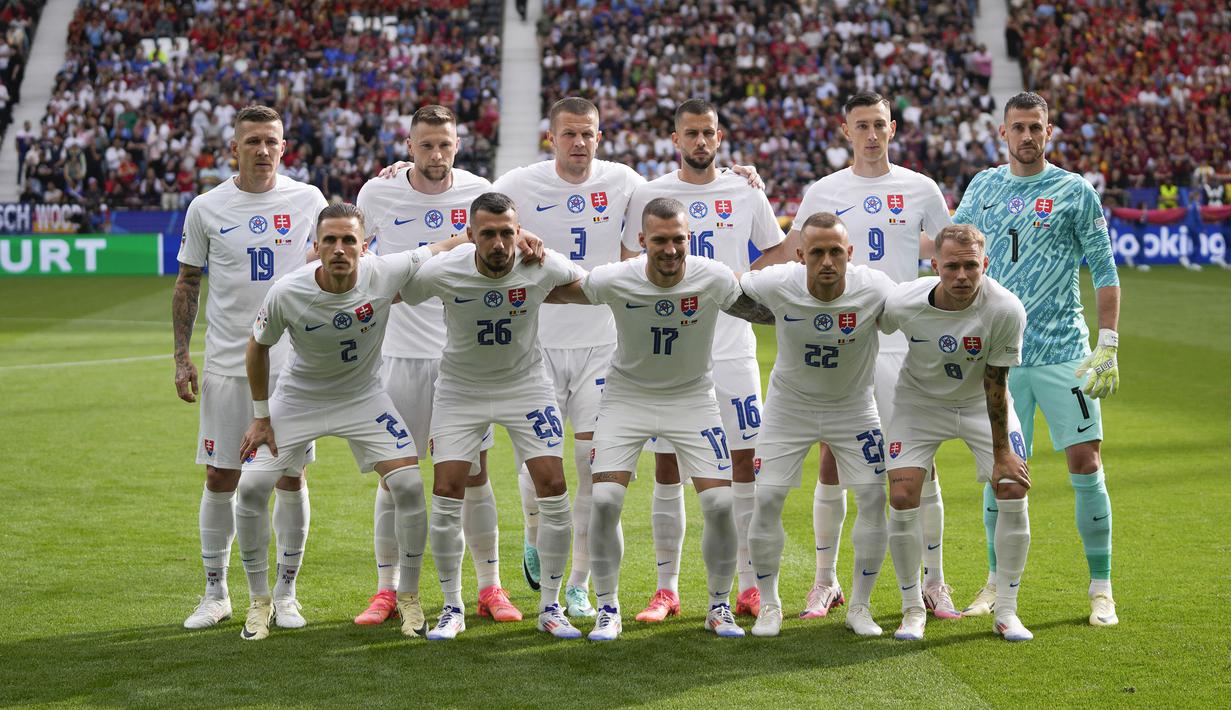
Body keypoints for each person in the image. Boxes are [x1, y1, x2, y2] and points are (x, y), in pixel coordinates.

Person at [234, 203, 479, 640]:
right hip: (300, 399)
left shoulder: (384, 271)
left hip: (364, 397)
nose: (339, 249)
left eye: (349, 240)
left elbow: (442, 245)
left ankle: (408, 596)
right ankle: (260, 600)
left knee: (408, 485)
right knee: (251, 488)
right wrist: (260, 417)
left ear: (364, 247)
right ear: (316, 247)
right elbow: (257, 347)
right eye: (329, 240)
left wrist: (509, 236)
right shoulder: (287, 291)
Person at [548, 197, 775, 641]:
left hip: (692, 399)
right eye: (660, 241)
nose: (670, 250)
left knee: (720, 503)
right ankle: (608, 608)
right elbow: (561, 288)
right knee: (605, 500)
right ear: (642, 240)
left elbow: (764, 310)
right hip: (626, 400)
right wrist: (528, 251)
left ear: (689, 239)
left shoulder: (712, 276)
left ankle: (718, 606)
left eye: (678, 240)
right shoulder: (618, 277)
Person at [785, 91, 957, 621]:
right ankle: (825, 581)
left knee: (920, 461)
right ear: (846, 131)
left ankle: (935, 581)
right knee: (832, 457)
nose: (872, 134)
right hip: (845, 341)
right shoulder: (824, 190)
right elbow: (792, 254)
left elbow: (948, 253)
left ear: (893, 128)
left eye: (879, 124)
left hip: (905, 343)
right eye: (861, 125)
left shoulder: (920, 187)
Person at [953, 91, 1122, 626]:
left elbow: (1105, 269)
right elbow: (954, 253)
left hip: (1063, 352)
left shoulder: (1074, 191)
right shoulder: (983, 186)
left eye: (1036, 127)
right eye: (1018, 127)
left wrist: (1108, 343)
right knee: (1001, 474)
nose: (1027, 136)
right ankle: (994, 583)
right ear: (1002, 132)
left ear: (1048, 132)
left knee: (1086, 463)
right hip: (1000, 358)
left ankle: (1101, 588)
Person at [621, 99, 786, 622]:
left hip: (734, 348)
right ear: (675, 139)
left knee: (744, 462)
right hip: (673, 351)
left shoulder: (745, 189)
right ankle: (666, 589)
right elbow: (629, 261)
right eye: (691, 133)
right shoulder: (648, 193)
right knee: (668, 465)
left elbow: (777, 251)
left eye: (708, 133)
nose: (700, 141)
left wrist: (744, 282)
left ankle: (748, 585)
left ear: (720, 136)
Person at [354, 105, 514, 626]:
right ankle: (388, 590)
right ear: (409, 147)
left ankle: (489, 586)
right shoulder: (377, 192)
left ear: (458, 145)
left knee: (474, 474)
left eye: (445, 144)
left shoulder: (479, 192)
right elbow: (362, 263)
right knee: (394, 476)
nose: (437, 154)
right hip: (398, 356)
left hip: (461, 360)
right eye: (426, 145)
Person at [400, 192, 586, 640]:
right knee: (447, 490)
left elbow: (586, 286)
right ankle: (452, 607)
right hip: (460, 390)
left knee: (554, 486)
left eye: (507, 232)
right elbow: (401, 291)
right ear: (470, 235)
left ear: (519, 232)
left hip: (526, 386)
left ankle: (551, 606)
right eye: (488, 234)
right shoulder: (445, 269)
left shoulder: (540, 264)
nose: (499, 243)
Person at [490, 97, 645, 618]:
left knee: (591, 463)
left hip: (601, 345)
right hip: (535, 346)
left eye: (588, 134)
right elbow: (469, 207)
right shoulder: (520, 183)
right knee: (540, 463)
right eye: (570, 134)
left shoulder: (624, 180)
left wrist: (741, 176)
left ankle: (577, 581)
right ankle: (534, 530)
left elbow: (680, 190)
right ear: (551, 138)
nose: (579, 143)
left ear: (600, 136)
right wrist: (402, 169)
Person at [174, 105, 327, 631]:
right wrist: (181, 357)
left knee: (290, 475)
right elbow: (187, 282)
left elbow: (347, 247)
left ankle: (286, 594)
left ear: (284, 147)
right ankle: (215, 593)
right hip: (226, 365)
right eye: (253, 141)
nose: (263, 150)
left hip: (292, 368)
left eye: (271, 141)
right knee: (221, 475)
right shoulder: (206, 207)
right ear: (233, 148)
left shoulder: (308, 199)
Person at [741, 212, 896, 637]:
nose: (827, 261)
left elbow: (914, 309)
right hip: (789, 407)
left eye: (835, 252)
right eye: (817, 253)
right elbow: (731, 288)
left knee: (872, 496)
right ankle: (770, 605)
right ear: (800, 255)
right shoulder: (778, 281)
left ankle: (860, 607)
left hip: (854, 407)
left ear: (850, 253)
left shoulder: (875, 287)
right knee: (767, 498)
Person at [880, 224, 1032, 642]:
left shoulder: (1005, 309)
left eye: (971, 266)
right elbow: (867, 328)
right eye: (951, 266)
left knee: (1012, 486)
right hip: (919, 403)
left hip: (980, 404)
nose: (962, 275)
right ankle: (913, 610)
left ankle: (1007, 611)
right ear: (935, 266)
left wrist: (1002, 454)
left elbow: (996, 384)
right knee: (902, 495)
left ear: (985, 264)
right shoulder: (905, 301)